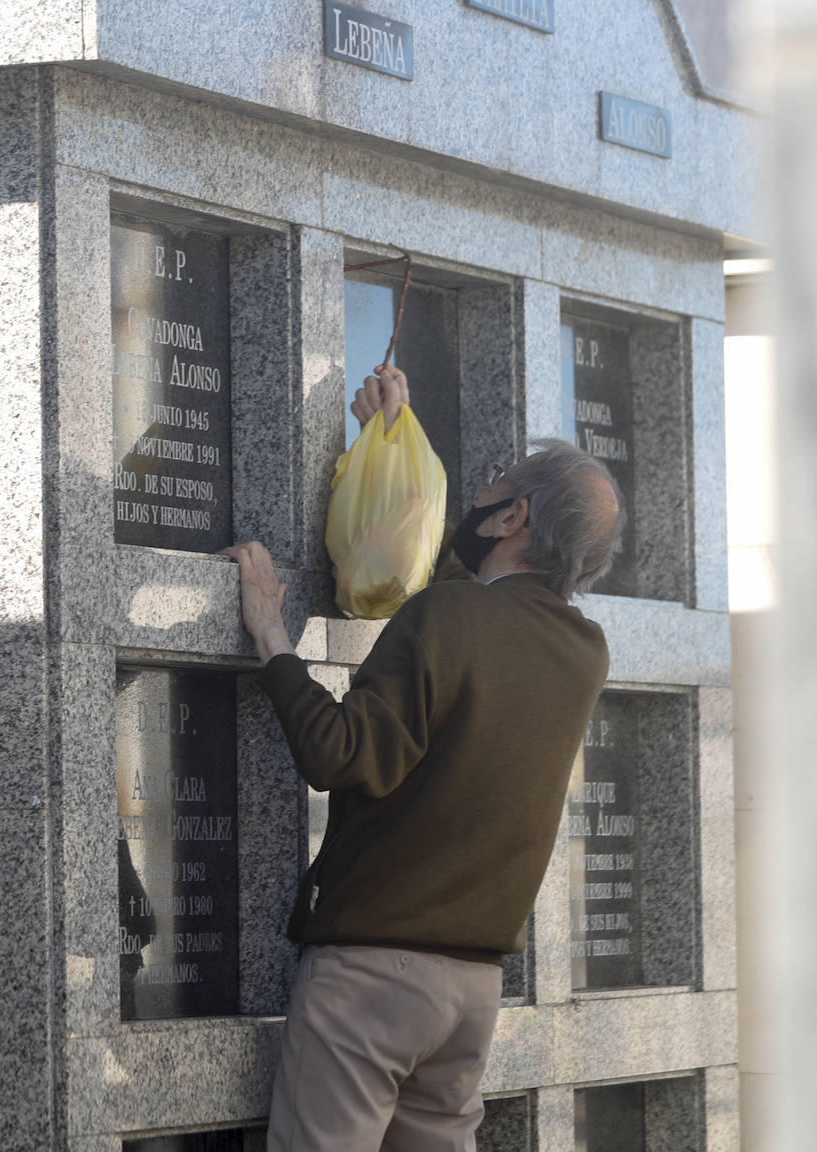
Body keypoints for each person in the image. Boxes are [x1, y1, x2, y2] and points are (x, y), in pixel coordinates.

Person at [225, 364, 624, 1152]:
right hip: (470, 995)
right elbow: (475, 618)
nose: (471, 501)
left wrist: (274, 640)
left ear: (513, 516)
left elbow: (340, 754)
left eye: (488, 491)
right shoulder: (584, 650)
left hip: (373, 977)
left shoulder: (448, 614)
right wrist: (395, 440)